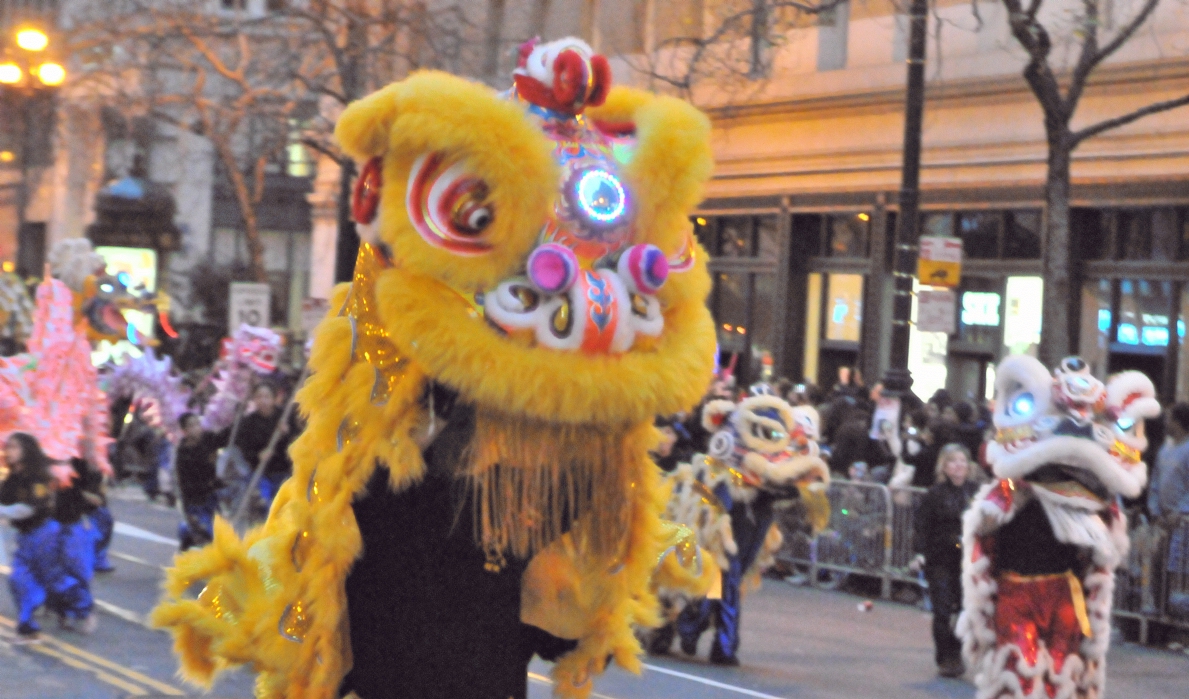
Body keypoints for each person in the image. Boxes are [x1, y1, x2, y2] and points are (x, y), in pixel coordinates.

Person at [0, 433, 81, 643]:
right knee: (18, 578)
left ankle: (81, 607)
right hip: (25, 536)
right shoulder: (12, 477)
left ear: (27, 450)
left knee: (54, 579)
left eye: (15, 447)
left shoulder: (37, 477)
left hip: (44, 533)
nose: (10, 451)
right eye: (8, 447)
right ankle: (27, 626)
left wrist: (4, 511)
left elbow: (30, 509)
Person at [911, 443, 978, 678]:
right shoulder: (934, 494)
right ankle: (944, 656)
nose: (959, 466)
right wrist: (919, 553)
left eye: (962, 461)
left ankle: (956, 653)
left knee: (963, 610)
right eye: (953, 461)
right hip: (939, 557)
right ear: (945, 466)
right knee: (942, 610)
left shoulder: (976, 492)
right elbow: (922, 525)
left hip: (967, 560)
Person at [227, 382, 298, 507]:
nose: (262, 401)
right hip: (264, 472)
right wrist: (258, 455)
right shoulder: (248, 423)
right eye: (259, 397)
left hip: (288, 467)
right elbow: (245, 449)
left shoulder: (285, 415)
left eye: (266, 397)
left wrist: (287, 433)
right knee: (272, 505)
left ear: (274, 399)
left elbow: (298, 440)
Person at [52, 457, 101, 634]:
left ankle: (85, 612)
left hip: (74, 525)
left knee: (75, 572)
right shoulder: (50, 459)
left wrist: (82, 494)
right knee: (54, 572)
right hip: (52, 524)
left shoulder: (83, 464)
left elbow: (96, 500)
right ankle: (63, 612)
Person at [176, 413, 222, 550]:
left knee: (217, 531)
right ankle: (186, 532)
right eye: (192, 425)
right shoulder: (184, 452)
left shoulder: (208, 439)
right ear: (185, 431)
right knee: (205, 532)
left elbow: (225, 437)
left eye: (198, 424)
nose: (196, 428)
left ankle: (190, 534)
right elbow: (187, 482)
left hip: (210, 497)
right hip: (194, 500)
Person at [1150, 402, 1189, 524]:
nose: (1166, 423)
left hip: (1182, 521)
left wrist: (1180, 512)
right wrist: (1155, 511)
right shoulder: (1165, 448)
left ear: (1177, 423)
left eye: (1169, 419)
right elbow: (1155, 480)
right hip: (1162, 519)